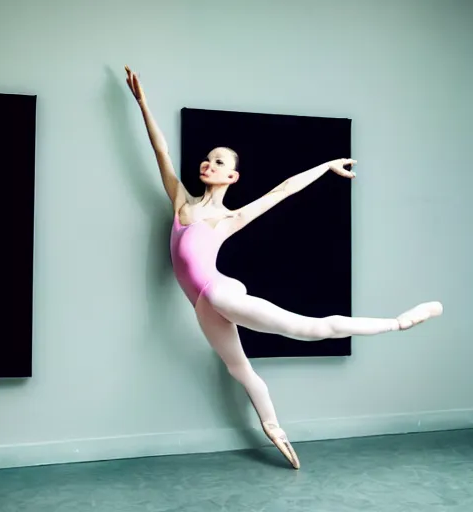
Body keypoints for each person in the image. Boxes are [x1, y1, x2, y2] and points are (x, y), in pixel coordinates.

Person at [124, 65, 443, 469]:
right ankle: (274, 428)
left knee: (308, 328)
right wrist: (143, 103)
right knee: (240, 370)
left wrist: (326, 166)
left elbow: (283, 190)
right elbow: (161, 152)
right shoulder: (181, 203)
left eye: (218, 161)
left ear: (232, 176)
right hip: (204, 306)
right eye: (207, 159)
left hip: (220, 292)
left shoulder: (229, 218)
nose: (208, 163)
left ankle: (399, 322)